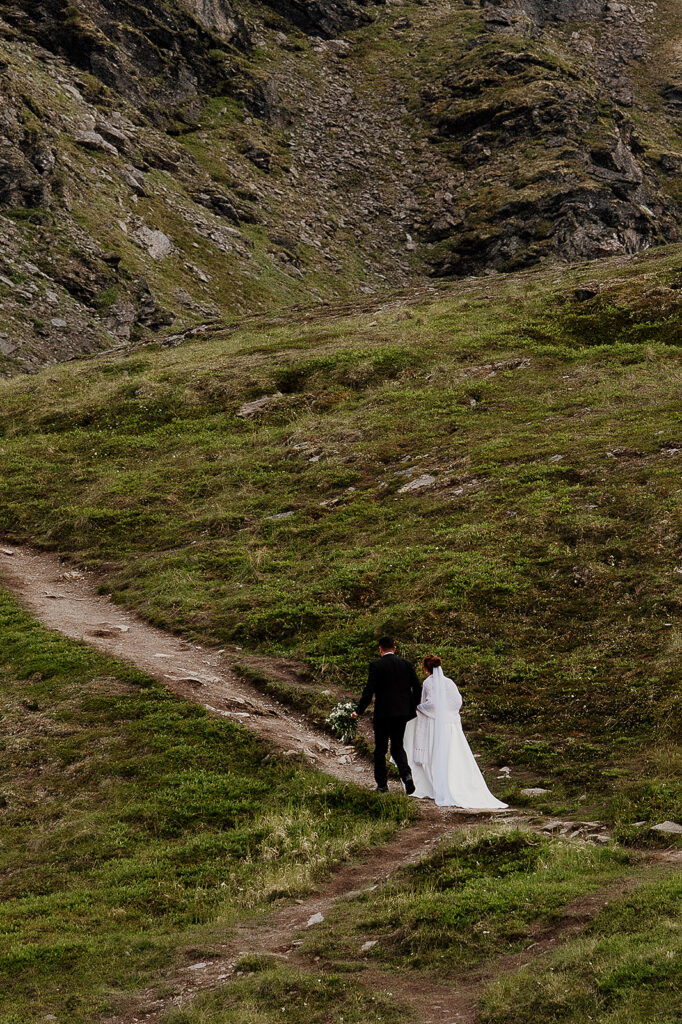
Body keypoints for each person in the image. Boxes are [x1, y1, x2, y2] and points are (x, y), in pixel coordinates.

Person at [403, 655, 507, 809]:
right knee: (453, 753)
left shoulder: (428, 683)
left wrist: (419, 708)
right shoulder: (449, 682)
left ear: (425, 668)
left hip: (434, 725)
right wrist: (449, 714)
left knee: (435, 754)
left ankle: (436, 784)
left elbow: (431, 704)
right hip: (451, 725)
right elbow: (457, 701)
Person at [352, 636, 421, 794]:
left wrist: (359, 710)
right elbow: (417, 687)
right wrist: (413, 706)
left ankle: (382, 785)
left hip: (383, 714)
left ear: (380, 649)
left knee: (380, 749)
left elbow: (369, 691)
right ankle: (406, 775)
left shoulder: (376, 665)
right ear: (394, 649)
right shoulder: (406, 664)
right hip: (402, 714)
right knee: (397, 747)